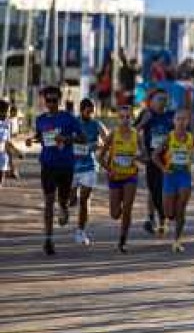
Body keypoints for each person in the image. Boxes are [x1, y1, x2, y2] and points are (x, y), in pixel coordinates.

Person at [28, 87, 83, 255]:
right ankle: (48, 239)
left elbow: (82, 138)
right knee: (48, 202)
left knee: (62, 201)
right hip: (48, 164)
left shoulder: (68, 118)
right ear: (44, 101)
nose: (50, 103)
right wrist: (32, 139)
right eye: (48, 100)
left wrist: (66, 139)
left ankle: (64, 208)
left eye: (54, 100)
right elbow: (41, 136)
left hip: (65, 165)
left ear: (59, 101)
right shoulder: (40, 120)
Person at [97, 103, 143, 253]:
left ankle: (123, 240)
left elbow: (145, 156)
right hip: (115, 176)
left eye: (128, 117)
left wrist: (138, 157)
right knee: (115, 214)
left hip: (131, 176)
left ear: (132, 118)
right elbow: (100, 157)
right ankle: (122, 213)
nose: (125, 120)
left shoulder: (137, 135)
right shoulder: (113, 135)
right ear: (118, 119)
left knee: (128, 208)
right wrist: (108, 169)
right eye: (122, 117)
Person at [157, 109, 194, 252]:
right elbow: (154, 155)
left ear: (187, 122)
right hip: (170, 176)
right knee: (169, 213)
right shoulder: (169, 137)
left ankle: (177, 241)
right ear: (174, 121)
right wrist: (163, 169)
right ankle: (169, 219)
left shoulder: (191, 138)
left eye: (184, 119)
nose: (181, 122)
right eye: (178, 119)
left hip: (184, 176)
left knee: (181, 210)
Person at [135, 89, 175, 236]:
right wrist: (142, 151)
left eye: (165, 99)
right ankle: (152, 218)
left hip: (168, 158)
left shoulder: (171, 116)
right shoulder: (146, 114)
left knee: (163, 188)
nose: (162, 102)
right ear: (151, 101)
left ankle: (161, 220)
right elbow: (132, 132)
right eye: (159, 99)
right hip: (152, 157)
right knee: (153, 188)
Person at [71, 98, 107, 247]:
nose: (91, 114)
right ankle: (68, 202)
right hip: (72, 167)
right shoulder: (73, 123)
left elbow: (107, 140)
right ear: (81, 110)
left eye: (93, 111)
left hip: (89, 167)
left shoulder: (96, 124)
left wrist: (100, 144)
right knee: (71, 199)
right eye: (89, 111)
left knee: (85, 200)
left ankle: (81, 231)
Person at [0, 99, 22, 186]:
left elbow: (7, 142)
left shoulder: (7, 124)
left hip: (2, 160)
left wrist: (17, 152)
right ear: (2, 112)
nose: (9, 114)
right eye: (8, 111)